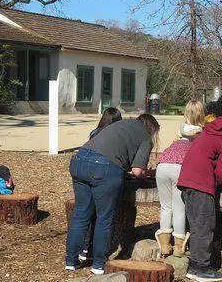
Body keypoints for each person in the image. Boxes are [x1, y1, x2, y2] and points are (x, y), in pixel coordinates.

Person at [65, 114, 160, 275]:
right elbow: (137, 171)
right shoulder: (145, 137)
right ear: (151, 128)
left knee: (81, 214)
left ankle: (71, 260)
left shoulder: (121, 125)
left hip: (79, 160)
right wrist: (149, 173)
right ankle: (98, 263)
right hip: (104, 169)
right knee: (104, 217)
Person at [177, 115, 222, 282]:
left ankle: (195, 265)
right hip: (201, 185)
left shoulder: (207, 133)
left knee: (196, 225)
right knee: (205, 226)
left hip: (186, 182)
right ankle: (201, 268)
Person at [155, 99, 205, 257]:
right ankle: (178, 247)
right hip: (179, 166)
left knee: (165, 206)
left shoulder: (180, 129)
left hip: (163, 164)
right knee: (179, 207)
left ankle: (164, 245)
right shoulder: (202, 133)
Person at [78, 107, 123, 262]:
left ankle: (84, 248)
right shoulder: (116, 136)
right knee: (103, 216)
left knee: (88, 214)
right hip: (105, 173)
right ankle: (97, 254)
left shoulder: (94, 133)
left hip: (86, 171)